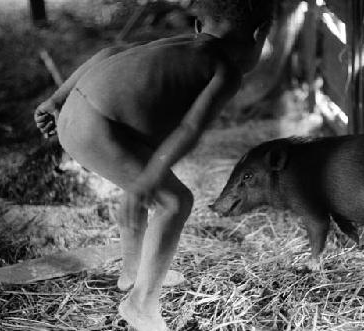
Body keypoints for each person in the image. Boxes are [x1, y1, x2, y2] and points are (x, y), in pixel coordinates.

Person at [34, 1, 274, 330]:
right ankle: (142, 303)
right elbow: (190, 129)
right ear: (260, 34)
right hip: (98, 129)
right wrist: (153, 173)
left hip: (73, 112)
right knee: (174, 201)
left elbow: (107, 53)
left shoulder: (177, 45)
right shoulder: (225, 69)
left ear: (198, 26)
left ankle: (133, 270)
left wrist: (56, 98)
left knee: (139, 179)